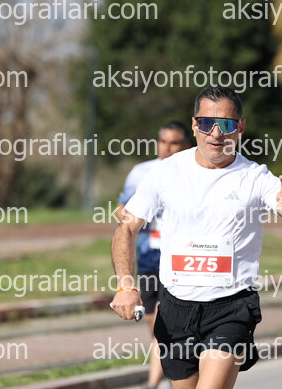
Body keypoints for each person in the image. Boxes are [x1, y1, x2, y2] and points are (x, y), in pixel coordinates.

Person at [110, 86, 282, 389]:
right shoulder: (167, 172)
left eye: (227, 124)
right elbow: (126, 228)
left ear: (240, 128)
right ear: (194, 125)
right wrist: (126, 286)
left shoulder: (256, 177)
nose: (217, 133)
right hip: (176, 306)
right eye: (207, 123)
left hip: (230, 307)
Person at [115, 121, 191, 389]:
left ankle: (156, 383)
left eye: (174, 143)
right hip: (148, 257)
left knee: (164, 323)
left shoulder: (192, 172)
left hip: (178, 260)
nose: (167, 148)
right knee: (156, 327)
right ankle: (174, 375)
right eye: (163, 142)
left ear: (186, 145)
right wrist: (140, 215)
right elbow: (120, 209)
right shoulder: (142, 172)